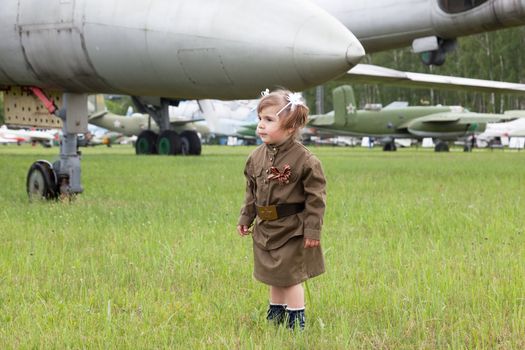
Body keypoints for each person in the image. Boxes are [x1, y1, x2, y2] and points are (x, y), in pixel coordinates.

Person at [237, 89, 326, 331]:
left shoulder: (305, 160)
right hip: (266, 229)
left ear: (289, 127)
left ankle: (296, 322)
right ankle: (275, 316)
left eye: (269, 120)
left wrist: (312, 231)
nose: (260, 126)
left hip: (292, 229)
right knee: (272, 275)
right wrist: (246, 217)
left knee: (290, 276)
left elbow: (316, 199)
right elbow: (251, 191)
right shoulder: (255, 158)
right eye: (259, 119)